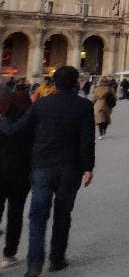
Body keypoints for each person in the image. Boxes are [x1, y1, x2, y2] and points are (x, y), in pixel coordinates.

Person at [0, 66, 95, 276]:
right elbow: (87, 140)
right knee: (63, 215)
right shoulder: (84, 105)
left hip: (42, 166)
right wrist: (88, 167)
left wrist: (3, 120)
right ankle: (57, 259)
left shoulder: (41, 104)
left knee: (37, 216)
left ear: (54, 84)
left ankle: (34, 264)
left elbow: (18, 130)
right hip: (70, 168)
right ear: (76, 83)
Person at [0, 81, 32, 269]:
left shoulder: (3, 119)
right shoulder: (29, 121)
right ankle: (9, 254)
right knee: (16, 214)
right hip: (21, 173)